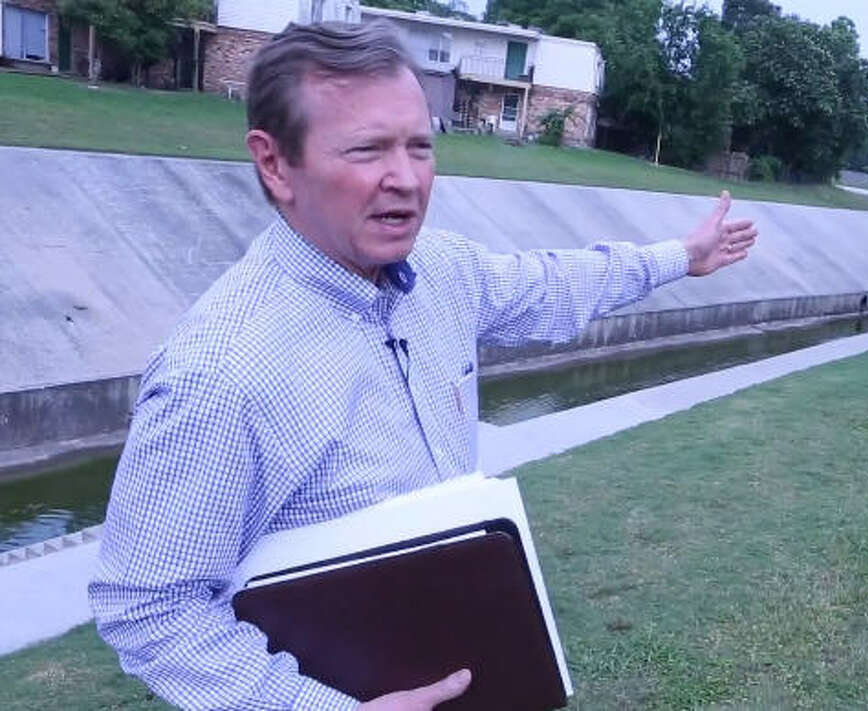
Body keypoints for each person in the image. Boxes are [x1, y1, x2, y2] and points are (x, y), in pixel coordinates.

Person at [89, 20, 757, 711]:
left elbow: (555, 284)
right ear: (275, 165)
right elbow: (149, 609)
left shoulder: (442, 270)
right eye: (367, 149)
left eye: (419, 147)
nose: (405, 180)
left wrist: (683, 255)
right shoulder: (219, 372)